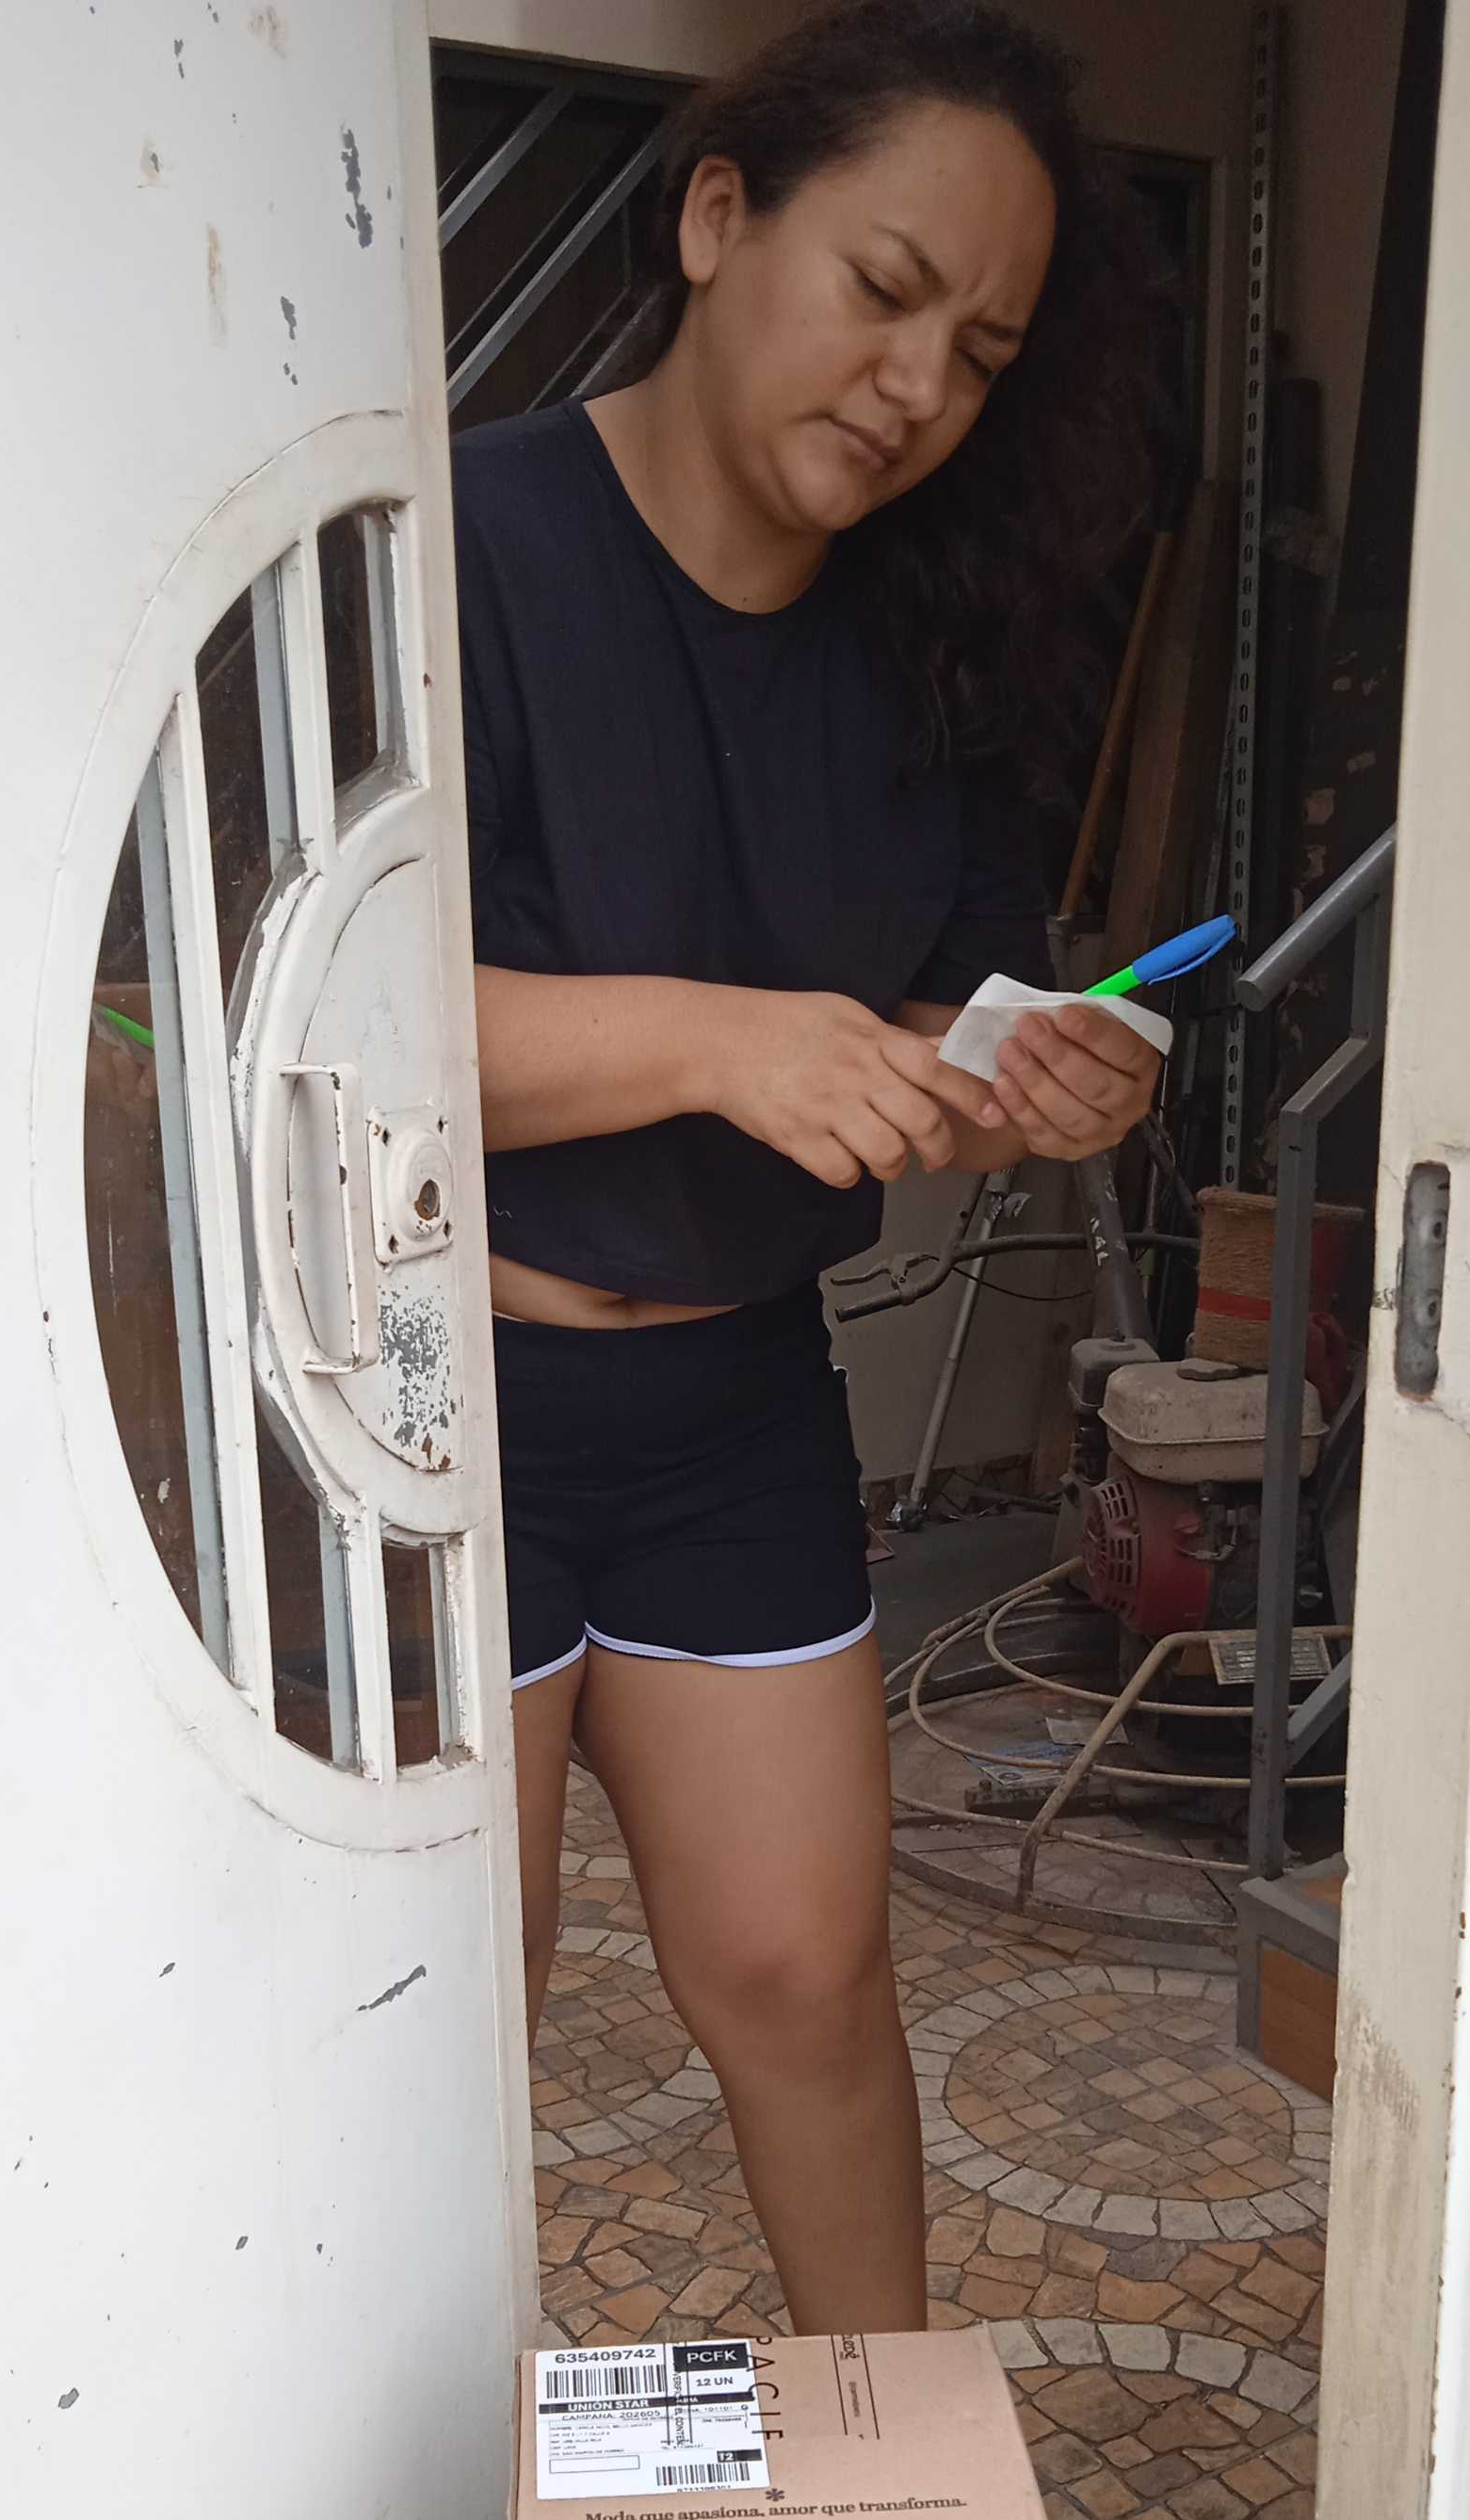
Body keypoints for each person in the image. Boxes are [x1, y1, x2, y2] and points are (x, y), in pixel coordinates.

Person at [453, 0, 1164, 2334]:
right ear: (716, 215)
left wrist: (1034, 1074)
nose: (918, 385)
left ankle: (897, 2476)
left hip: (740, 1399)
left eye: (982, 351)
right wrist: (716, 1041)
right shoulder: (455, 549)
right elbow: (287, 1029)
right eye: (884, 290)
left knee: (803, 1976)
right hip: (430, 1418)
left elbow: (951, 1008)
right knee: (439, 2040)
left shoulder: (938, 637)